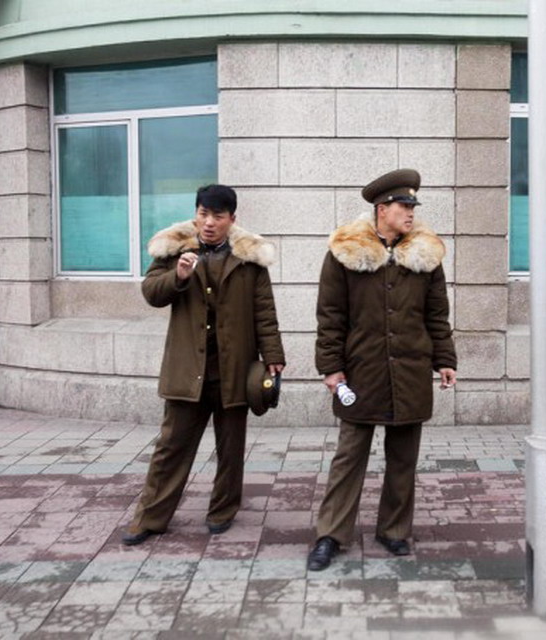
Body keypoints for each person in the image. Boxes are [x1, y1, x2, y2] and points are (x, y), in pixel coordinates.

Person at [306, 168, 458, 571]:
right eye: (403, 205)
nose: (410, 212)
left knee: (404, 458)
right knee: (348, 457)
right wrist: (331, 367)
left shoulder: (426, 255)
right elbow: (330, 316)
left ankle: (394, 531)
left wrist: (445, 359)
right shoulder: (344, 252)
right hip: (360, 372)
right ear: (381, 208)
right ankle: (330, 535)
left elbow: (437, 315)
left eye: (412, 206)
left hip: (410, 371)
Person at [121, 184, 285, 545]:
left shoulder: (249, 258)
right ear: (196, 214)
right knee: (171, 447)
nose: (209, 223)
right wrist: (177, 276)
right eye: (203, 214)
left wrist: (273, 356)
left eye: (218, 216)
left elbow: (264, 312)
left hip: (234, 369)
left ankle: (223, 511)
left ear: (232, 220)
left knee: (231, 449)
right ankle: (150, 517)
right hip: (187, 370)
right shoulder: (174, 249)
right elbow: (151, 293)